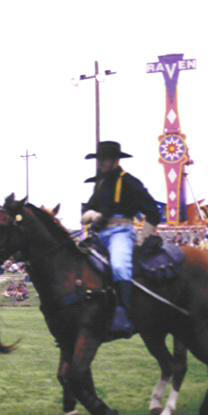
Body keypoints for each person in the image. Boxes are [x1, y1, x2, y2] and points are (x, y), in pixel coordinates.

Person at [81, 141, 161, 338]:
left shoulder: (129, 182)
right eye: (99, 159)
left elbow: (153, 212)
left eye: (105, 159)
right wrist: (90, 215)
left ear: (116, 160)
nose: (101, 163)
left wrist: (143, 236)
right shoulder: (100, 183)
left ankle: (123, 313)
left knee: (119, 266)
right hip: (99, 234)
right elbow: (88, 209)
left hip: (121, 232)